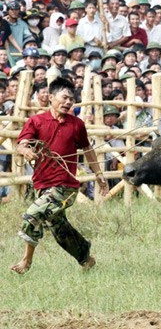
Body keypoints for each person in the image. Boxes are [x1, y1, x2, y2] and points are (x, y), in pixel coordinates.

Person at [11, 77, 108, 275]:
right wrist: (26, 151)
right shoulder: (36, 121)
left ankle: (26, 261)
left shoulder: (77, 124)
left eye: (71, 99)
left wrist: (98, 173)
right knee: (58, 228)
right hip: (41, 184)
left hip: (66, 186)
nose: (68, 102)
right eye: (64, 98)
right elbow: (21, 144)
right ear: (51, 97)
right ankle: (86, 258)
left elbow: (88, 149)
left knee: (32, 215)